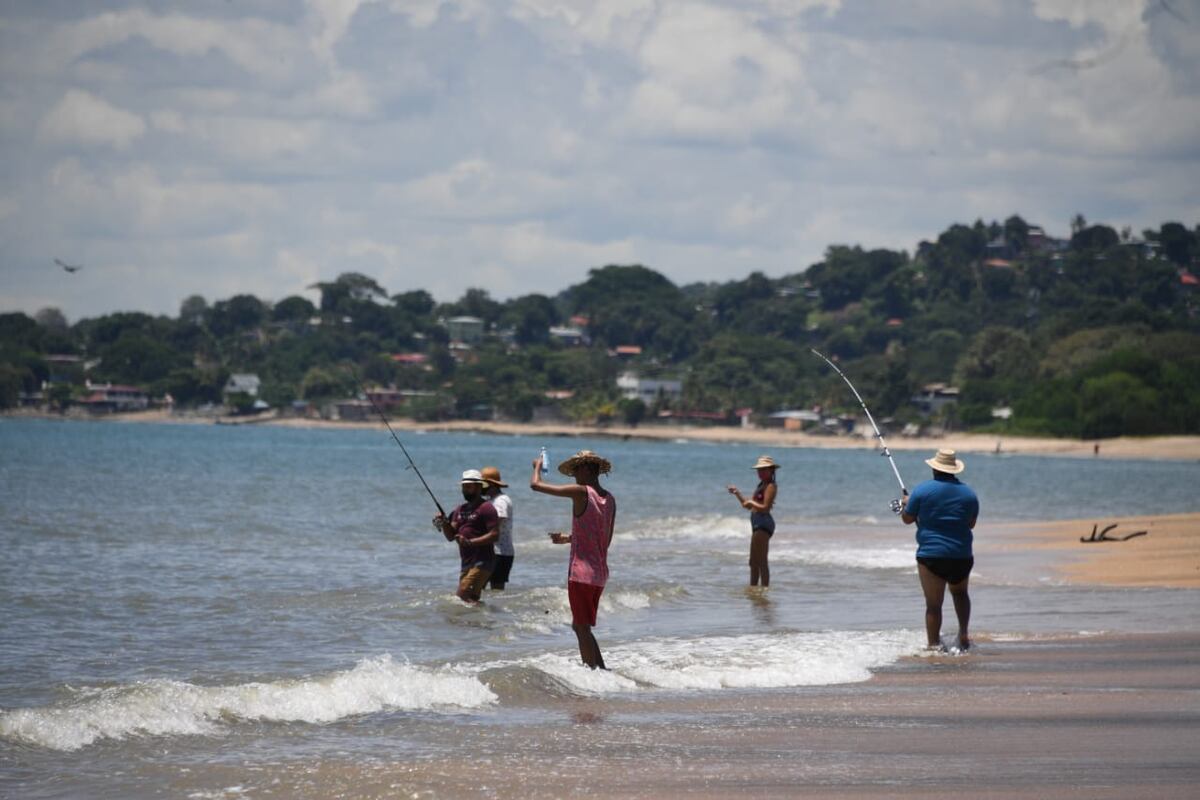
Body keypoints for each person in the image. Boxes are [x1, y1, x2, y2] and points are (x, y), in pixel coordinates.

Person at [531, 449, 616, 670]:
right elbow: (604, 540)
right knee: (582, 626)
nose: (574, 476)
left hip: (581, 573)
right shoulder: (610, 499)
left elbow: (536, 485)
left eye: (576, 470)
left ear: (586, 469)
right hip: (599, 573)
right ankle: (601, 670)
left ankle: (592, 674)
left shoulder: (581, 492)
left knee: (581, 627)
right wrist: (569, 538)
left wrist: (537, 466)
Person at [900, 448, 979, 651]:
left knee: (934, 605)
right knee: (960, 594)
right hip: (961, 555)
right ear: (953, 469)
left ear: (935, 468)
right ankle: (963, 634)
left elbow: (907, 519)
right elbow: (971, 524)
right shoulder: (969, 494)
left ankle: (934, 645)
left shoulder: (921, 490)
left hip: (931, 555)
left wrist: (906, 504)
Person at [433, 469, 499, 604]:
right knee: (471, 599)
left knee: (461, 595)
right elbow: (450, 536)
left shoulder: (486, 508)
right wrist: (444, 522)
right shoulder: (459, 509)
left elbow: (494, 535)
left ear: (479, 487)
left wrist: (470, 542)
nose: (465, 490)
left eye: (469, 487)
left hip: (483, 561)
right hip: (466, 562)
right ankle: (484, 616)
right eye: (464, 487)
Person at [727, 455, 778, 587]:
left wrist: (751, 502)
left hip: (763, 524)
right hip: (757, 523)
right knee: (753, 562)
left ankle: (764, 592)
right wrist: (737, 493)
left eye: (764, 470)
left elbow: (765, 508)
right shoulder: (761, 485)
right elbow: (748, 505)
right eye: (759, 470)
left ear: (771, 470)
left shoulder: (771, 486)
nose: (760, 472)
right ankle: (754, 591)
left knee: (762, 562)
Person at [481, 466, 515, 591]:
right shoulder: (492, 500)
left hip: (500, 552)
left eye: (482, 484)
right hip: (495, 552)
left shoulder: (501, 500)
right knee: (486, 589)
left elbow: (498, 520)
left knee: (494, 590)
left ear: (491, 484)